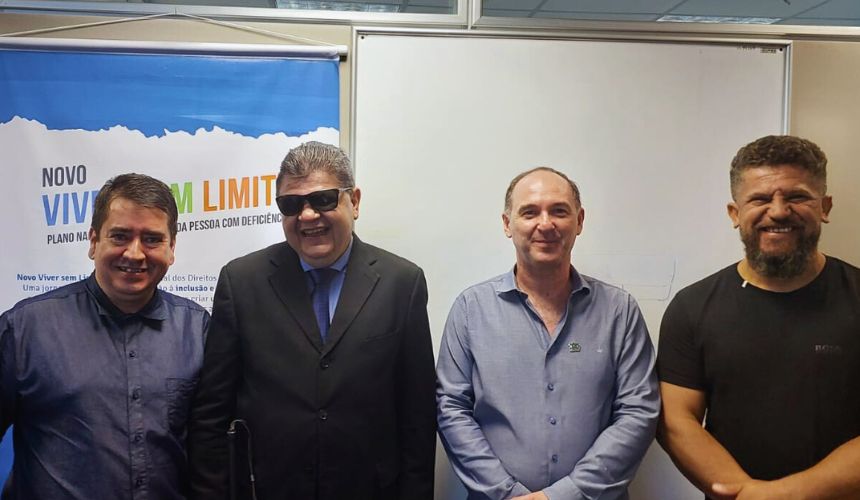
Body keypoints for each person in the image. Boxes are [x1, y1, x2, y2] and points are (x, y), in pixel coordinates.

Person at [188, 141, 436, 500]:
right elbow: (211, 412)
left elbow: (417, 418)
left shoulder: (403, 283)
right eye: (292, 204)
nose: (307, 215)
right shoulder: (241, 282)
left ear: (355, 201)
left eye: (323, 199)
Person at [436, 167, 659, 500]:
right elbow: (451, 408)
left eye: (559, 211)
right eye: (529, 212)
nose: (545, 224)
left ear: (579, 221)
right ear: (507, 224)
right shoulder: (471, 310)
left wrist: (563, 496)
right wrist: (506, 493)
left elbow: (638, 412)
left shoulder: (619, 311)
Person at [657, 135, 860, 500]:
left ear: (825, 206)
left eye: (797, 197)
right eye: (760, 199)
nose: (779, 211)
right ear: (735, 214)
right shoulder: (692, 307)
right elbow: (676, 420)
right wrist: (745, 494)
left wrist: (782, 495)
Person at [0, 173, 209, 499]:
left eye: (152, 239)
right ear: (94, 241)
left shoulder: (198, 331)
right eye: (120, 236)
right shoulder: (25, 329)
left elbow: (211, 448)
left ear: (171, 249)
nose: (135, 253)